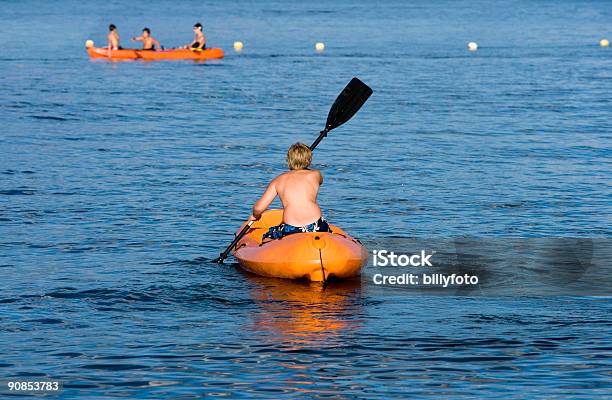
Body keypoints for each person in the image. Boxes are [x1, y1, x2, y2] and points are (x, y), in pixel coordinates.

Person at [250, 143, 332, 240]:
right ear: (309, 160)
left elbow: (258, 208)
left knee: (268, 236)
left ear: (288, 161)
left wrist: (255, 215)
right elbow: (319, 181)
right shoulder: (316, 175)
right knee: (329, 230)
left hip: (292, 228)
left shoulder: (278, 180)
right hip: (317, 225)